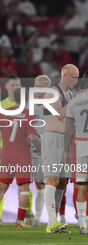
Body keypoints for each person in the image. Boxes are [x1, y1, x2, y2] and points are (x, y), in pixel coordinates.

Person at [0, 88, 41, 228]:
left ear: (14, 98)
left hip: (6, 154)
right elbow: (32, 137)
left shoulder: (4, 112)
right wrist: (41, 150)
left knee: (1, 188)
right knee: (23, 188)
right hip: (22, 154)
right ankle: (20, 221)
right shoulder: (28, 115)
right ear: (26, 99)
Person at [42, 64, 79, 233]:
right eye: (74, 77)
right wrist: (74, 101)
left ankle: (55, 220)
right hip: (52, 138)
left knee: (63, 181)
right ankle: (51, 222)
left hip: (65, 141)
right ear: (65, 75)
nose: (76, 81)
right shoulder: (53, 92)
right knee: (53, 179)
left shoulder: (70, 93)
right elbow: (58, 115)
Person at [64, 69, 88, 234]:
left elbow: (68, 129)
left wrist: (66, 150)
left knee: (81, 186)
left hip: (81, 147)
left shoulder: (74, 102)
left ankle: (83, 224)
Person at [31, 75, 51, 227]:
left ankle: (37, 217)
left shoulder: (51, 106)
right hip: (25, 149)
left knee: (41, 184)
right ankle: (25, 214)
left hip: (43, 151)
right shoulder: (26, 105)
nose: (37, 90)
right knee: (22, 184)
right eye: (36, 86)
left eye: (40, 87)